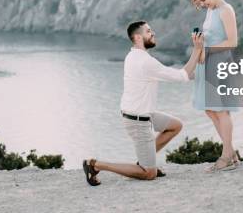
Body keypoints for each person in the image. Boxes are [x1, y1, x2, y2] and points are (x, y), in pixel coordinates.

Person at [82, 21, 204, 185]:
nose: (153, 33)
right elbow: (180, 76)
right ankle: (95, 165)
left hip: (143, 113)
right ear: (138, 37)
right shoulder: (145, 62)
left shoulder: (134, 56)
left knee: (175, 126)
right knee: (149, 174)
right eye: (149, 31)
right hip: (138, 121)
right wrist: (197, 50)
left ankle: (145, 161)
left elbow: (178, 74)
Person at [190, 0, 239, 172]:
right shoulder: (211, 10)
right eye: (199, 2)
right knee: (210, 110)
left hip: (220, 62)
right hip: (207, 63)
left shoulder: (226, 10)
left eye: (203, 0)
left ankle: (226, 156)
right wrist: (199, 44)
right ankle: (232, 153)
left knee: (221, 109)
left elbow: (232, 42)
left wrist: (207, 50)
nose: (202, 5)